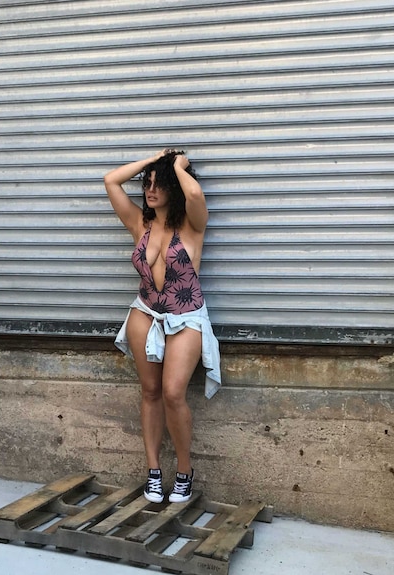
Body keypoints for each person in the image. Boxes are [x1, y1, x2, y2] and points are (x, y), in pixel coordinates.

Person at [104, 149, 221, 504]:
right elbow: (111, 180)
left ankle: (184, 471)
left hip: (185, 318)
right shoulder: (140, 223)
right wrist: (152, 161)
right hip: (144, 314)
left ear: (174, 186)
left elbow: (196, 195)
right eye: (148, 184)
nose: (151, 190)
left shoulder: (192, 225)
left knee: (172, 393)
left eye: (159, 184)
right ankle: (154, 472)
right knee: (150, 393)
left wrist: (176, 166)